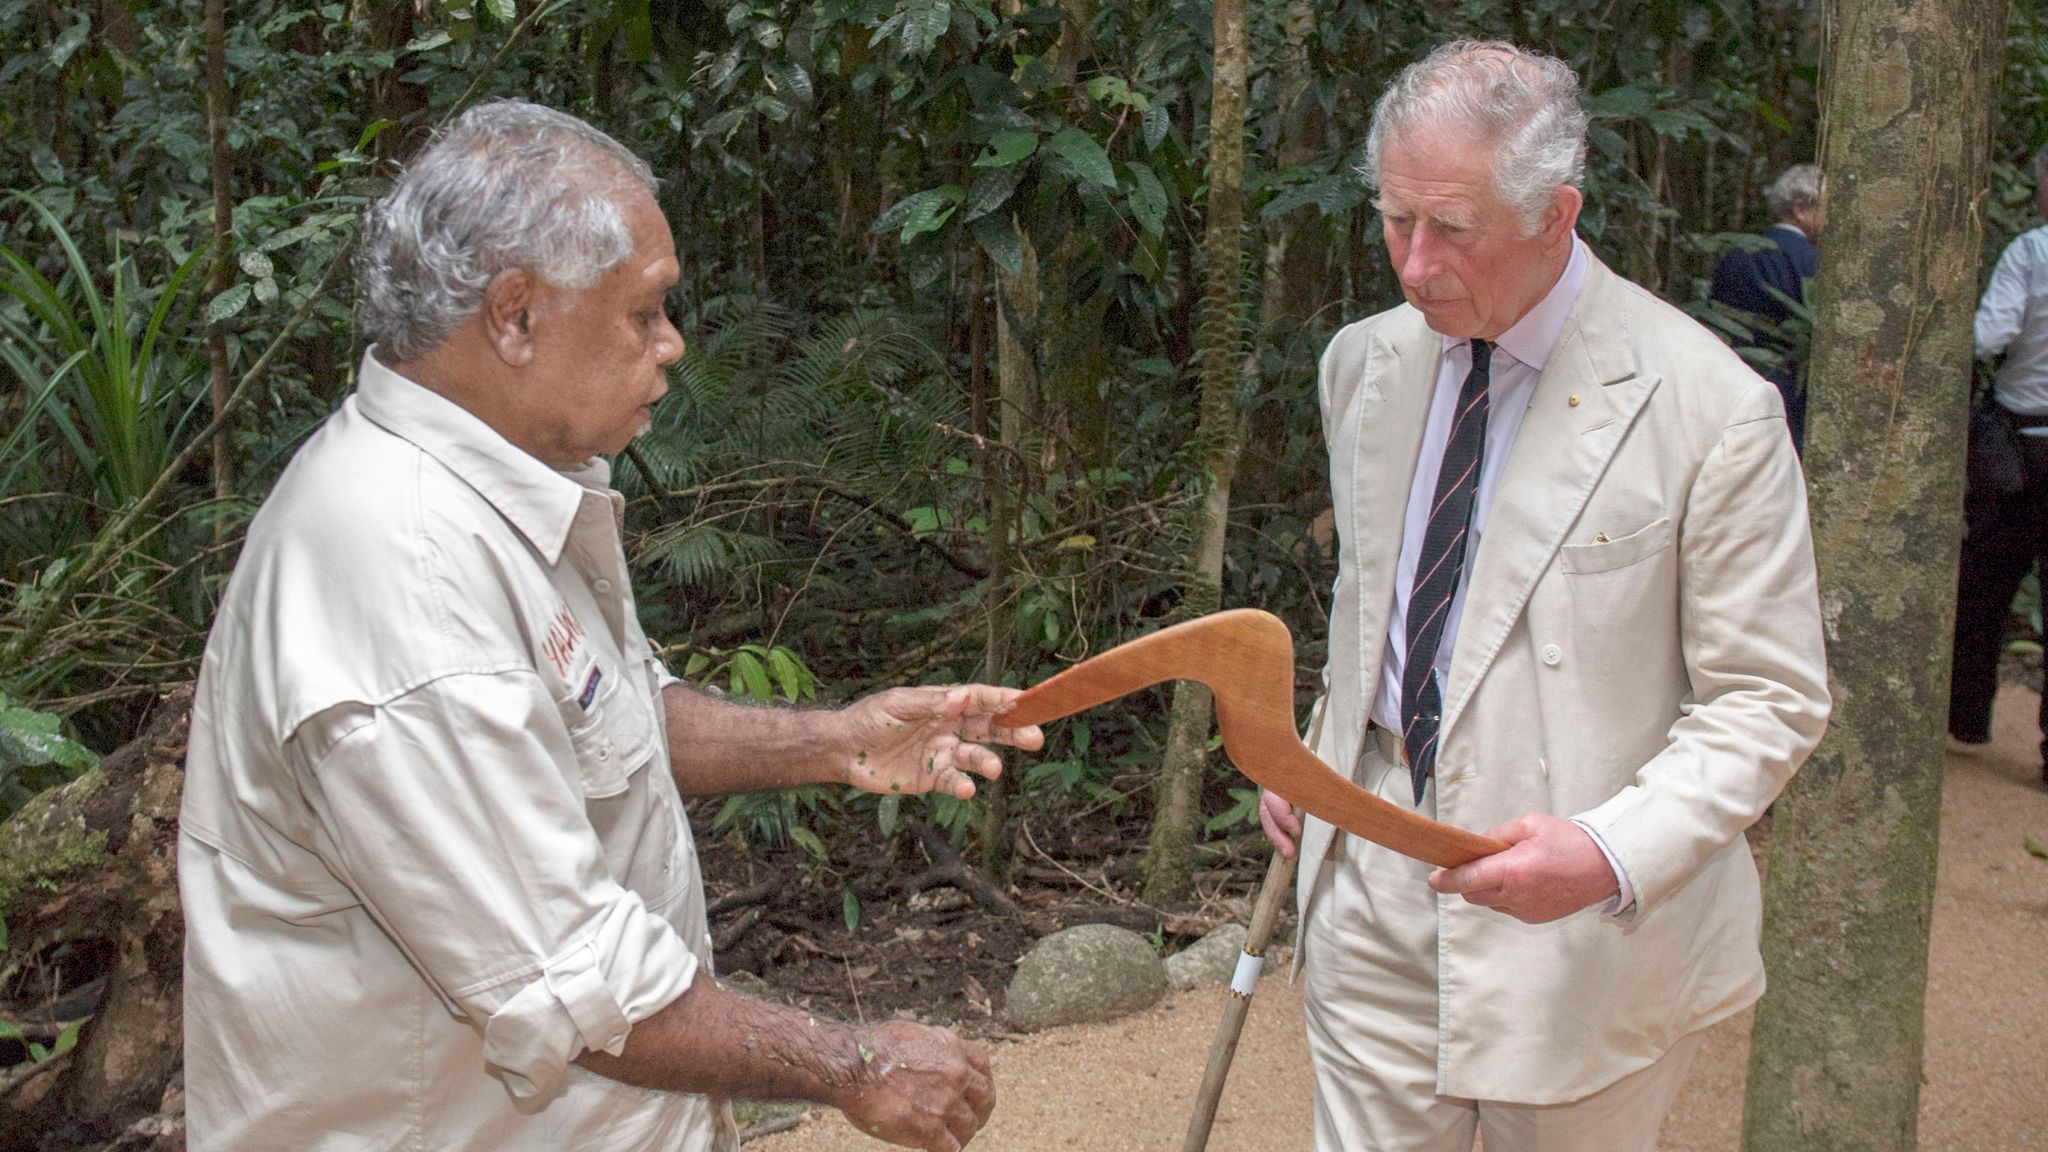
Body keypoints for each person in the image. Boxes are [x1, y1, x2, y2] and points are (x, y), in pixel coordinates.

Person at [178, 100, 1042, 1152]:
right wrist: (853, 1063)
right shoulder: (406, 572)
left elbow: (610, 711)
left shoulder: (499, 488)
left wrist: (836, 742)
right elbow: (568, 977)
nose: (671, 345)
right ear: (514, 314)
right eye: (645, 312)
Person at [1257, 42, 1829, 1151]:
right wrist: (1319, 752)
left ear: (1555, 212)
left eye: (1450, 230)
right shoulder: (1361, 365)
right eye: (1392, 221)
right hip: (1368, 881)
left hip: (1588, 932)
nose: (1412, 265)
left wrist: (1608, 853)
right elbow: (1377, 599)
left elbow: (1767, 696)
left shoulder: (1711, 408)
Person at [1948, 142, 2048, 787]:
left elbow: (1988, 337)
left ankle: (1967, 717)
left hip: (2020, 452)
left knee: (1985, 585)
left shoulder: (2032, 253)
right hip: (2021, 447)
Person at [1708, 162, 1824, 451]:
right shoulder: (1813, 261)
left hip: (1737, 385)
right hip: (1796, 392)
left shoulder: (1737, 253)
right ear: (1801, 208)